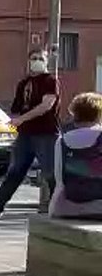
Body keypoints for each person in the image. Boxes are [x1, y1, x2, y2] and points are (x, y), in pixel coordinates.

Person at [0, 50, 60, 219]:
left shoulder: (50, 81)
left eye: (40, 59)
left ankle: (60, 207)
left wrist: (22, 119)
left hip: (46, 133)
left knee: (50, 173)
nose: (37, 61)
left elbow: (47, 105)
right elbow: (16, 109)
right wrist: (14, 121)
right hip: (25, 135)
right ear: (28, 61)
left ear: (46, 61)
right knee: (15, 171)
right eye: (34, 58)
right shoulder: (24, 83)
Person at [49, 92, 102, 220]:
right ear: (98, 115)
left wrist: (53, 208)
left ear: (74, 114)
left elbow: (59, 179)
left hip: (68, 207)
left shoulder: (62, 140)